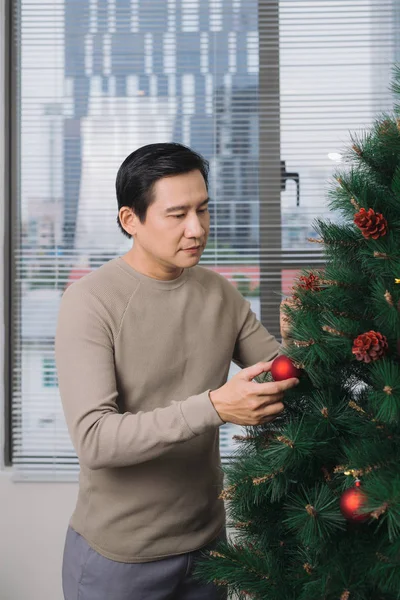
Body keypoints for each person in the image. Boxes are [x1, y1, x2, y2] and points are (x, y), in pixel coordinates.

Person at [55, 142, 299, 600]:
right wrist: (213, 408)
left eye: (203, 210)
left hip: (209, 547)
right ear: (131, 220)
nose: (197, 229)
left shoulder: (218, 292)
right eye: (178, 214)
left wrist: (311, 337)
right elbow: (95, 439)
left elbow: (279, 375)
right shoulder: (90, 302)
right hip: (120, 560)